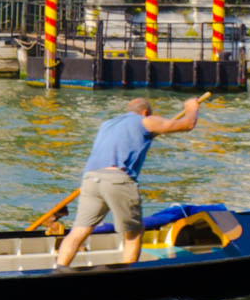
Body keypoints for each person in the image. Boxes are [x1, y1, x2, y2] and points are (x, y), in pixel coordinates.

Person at [51, 93, 209, 270]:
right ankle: (129, 273)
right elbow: (187, 124)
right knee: (133, 233)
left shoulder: (108, 124)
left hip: (91, 179)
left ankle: (59, 269)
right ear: (145, 112)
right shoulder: (146, 121)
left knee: (79, 231)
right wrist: (191, 108)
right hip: (117, 179)